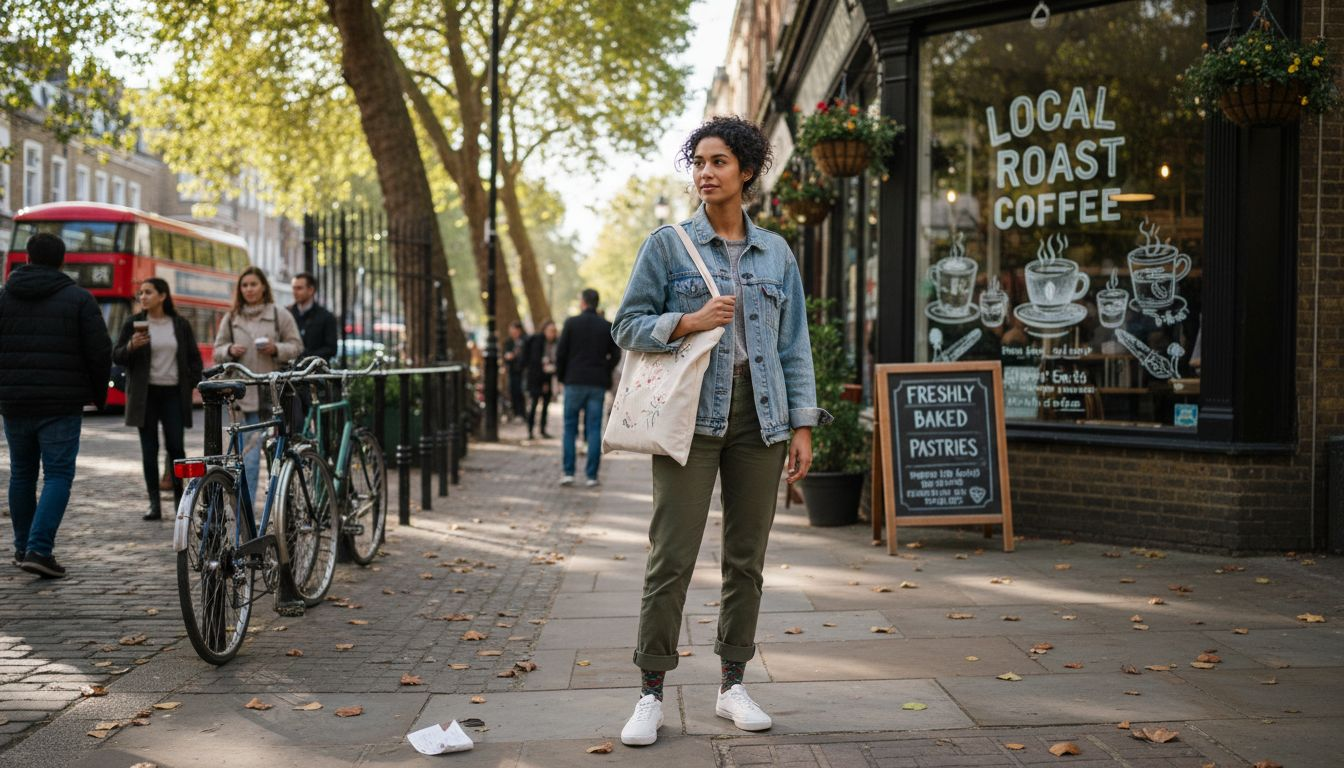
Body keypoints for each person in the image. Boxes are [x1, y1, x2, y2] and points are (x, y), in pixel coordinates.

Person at [610, 116, 828, 746]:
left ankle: (733, 684)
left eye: (719, 162)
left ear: (748, 171)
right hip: (690, 419)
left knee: (746, 560)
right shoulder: (668, 246)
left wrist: (803, 425)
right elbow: (627, 325)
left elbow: (794, 348)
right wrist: (687, 320)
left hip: (761, 419)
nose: (705, 173)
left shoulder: (777, 253)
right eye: (698, 163)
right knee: (670, 556)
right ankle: (650, 692)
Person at [0, 233, 112, 578]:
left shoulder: (3, 297)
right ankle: (39, 548)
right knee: (58, 474)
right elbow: (99, 351)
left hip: (14, 401)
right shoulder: (78, 298)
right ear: (62, 260)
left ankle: (23, 548)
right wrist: (97, 394)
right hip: (61, 403)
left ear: (28, 257)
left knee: (22, 474)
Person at [113, 278, 204, 521]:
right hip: (145, 395)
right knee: (149, 449)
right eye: (140, 293)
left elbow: (194, 359)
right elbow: (117, 356)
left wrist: (191, 382)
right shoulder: (133, 323)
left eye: (148, 292)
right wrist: (131, 346)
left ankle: (179, 502)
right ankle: (154, 503)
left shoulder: (180, 324)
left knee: (176, 447)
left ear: (162, 296)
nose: (142, 297)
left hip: (173, 393)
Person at [212, 266, 302, 503]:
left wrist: (276, 349)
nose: (249, 289)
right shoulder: (232, 318)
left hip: (273, 397)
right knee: (248, 461)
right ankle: (248, 514)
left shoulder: (279, 314)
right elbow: (217, 351)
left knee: (277, 458)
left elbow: (296, 347)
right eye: (245, 285)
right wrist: (229, 350)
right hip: (243, 398)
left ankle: (282, 510)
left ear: (263, 286)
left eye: (253, 284)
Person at [555, 289, 620, 487]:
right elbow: (615, 355)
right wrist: (604, 370)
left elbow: (560, 353)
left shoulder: (571, 323)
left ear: (582, 302)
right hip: (596, 383)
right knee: (593, 429)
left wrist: (562, 376)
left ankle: (568, 473)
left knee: (569, 428)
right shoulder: (606, 326)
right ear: (596, 303)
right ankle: (591, 476)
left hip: (574, 381)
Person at [288, 272, 339, 361]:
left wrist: (306, 357)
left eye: (299, 288)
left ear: (311, 290)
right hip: (290, 370)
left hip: (316, 371)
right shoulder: (287, 313)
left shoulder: (326, 317)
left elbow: (331, 349)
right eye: (293, 288)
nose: (294, 292)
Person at [523, 320, 558, 440]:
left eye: (554, 331)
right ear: (544, 330)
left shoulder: (554, 343)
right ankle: (530, 430)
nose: (553, 333)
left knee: (545, 406)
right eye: (550, 331)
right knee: (533, 405)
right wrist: (543, 381)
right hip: (536, 379)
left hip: (547, 378)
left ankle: (542, 429)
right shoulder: (537, 341)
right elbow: (535, 362)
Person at [502, 320, 528, 422]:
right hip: (512, 370)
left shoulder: (524, 341)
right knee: (513, 391)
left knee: (521, 391)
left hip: (523, 370)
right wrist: (508, 357)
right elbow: (504, 355)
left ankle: (522, 413)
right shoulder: (508, 342)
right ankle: (516, 412)